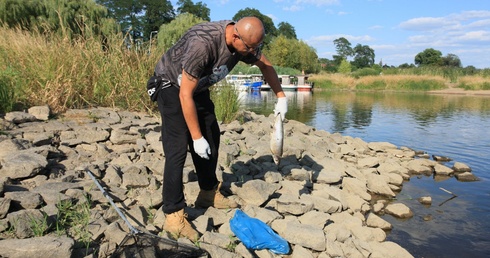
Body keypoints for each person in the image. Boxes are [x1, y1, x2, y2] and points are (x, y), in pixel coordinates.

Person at [146, 16, 288, 241]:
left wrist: (281, 96)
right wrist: (195, 137)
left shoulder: (244, 42)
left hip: (197, 88)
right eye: (250, 48)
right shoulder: (203, 44)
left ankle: (208, 193)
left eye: (256, 47)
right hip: (172, 86)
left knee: (211, 136)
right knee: (178, 148)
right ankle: (173, 214)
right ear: (235, 36)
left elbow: (265, 65)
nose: (252, 53)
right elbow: (184, 94)